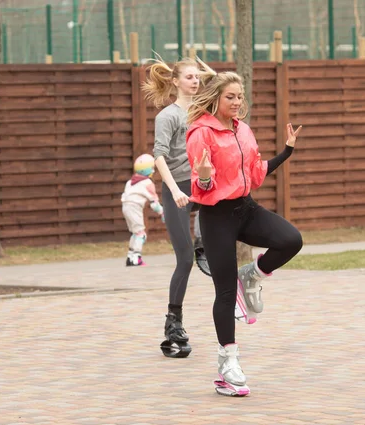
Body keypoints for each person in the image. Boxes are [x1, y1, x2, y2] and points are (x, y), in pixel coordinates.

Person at [186, 71, 304, 396]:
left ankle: (251, 274)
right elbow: (201, 186)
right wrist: (207, 176)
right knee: (224, 293)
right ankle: (228, 363)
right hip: (216, 217)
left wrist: (287, 151)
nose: (237, 102)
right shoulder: (201, 133)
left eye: (240, 97)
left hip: (246, 209)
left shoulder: (244, 130)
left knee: (291, 240)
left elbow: (255, 172)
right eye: (230, 97)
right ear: (216, 99)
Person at [142, 56, 216, 358]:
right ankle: (174, 322)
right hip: (176, 189)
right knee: (184, 259)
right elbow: (158, 156)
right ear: (175, 82)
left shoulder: (203, 110)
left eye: (197, 77)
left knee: (219, 210)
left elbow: (223, 82)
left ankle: (204, 244)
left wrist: (206, 71)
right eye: (189, 77)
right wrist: (174, 191)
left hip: (201, 185)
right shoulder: (167, 117)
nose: (195, 81)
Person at [120, 153, 164, 266]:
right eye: (152, 168)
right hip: (134, 207)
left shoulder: (130, 182)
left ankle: (130, 257)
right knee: (141, 234)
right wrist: (163, 212)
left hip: (126, 207)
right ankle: (136, 258)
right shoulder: (148, 183)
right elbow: (154, 204)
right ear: (148, 170)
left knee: (135, 233)